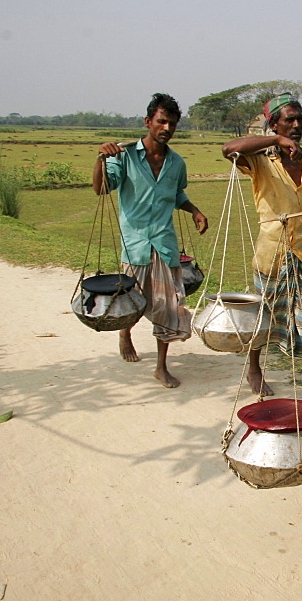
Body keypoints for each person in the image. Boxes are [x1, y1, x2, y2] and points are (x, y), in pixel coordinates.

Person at [221, 93, 302, 418]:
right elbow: (228, 150)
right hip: (271, 256)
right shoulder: (262, 161)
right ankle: (254, 368)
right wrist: (274, 141)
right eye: (288, 120)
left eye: (298, 119)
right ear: (274, 124)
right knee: (263, 319)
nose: (296, 125)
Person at [92, 92, 208, 388]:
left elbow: (177, 194)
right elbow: (101, 188)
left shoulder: (176, 163)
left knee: (168, 306)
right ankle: (125, 333)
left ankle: (161, 366)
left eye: (171, 124)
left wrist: (194, 210)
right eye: (161, 122)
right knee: (132, 302)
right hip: (135, 244)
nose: (166, 128)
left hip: (165, 243)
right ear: (148, 122)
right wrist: (101, 158)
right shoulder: (125, 156)